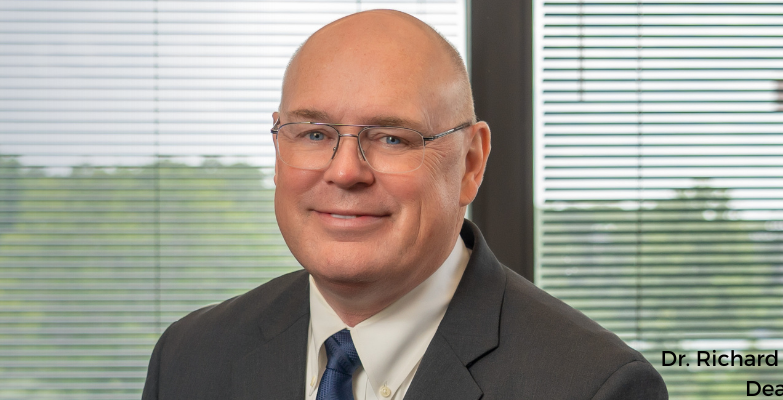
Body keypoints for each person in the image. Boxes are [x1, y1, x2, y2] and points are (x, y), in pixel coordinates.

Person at [140, 10, 667, 400]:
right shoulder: (189, 358)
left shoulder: (594, 387)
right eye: (315, 133)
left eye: (393, 138)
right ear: (278, 151)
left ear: (470, 163)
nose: (345, 172)